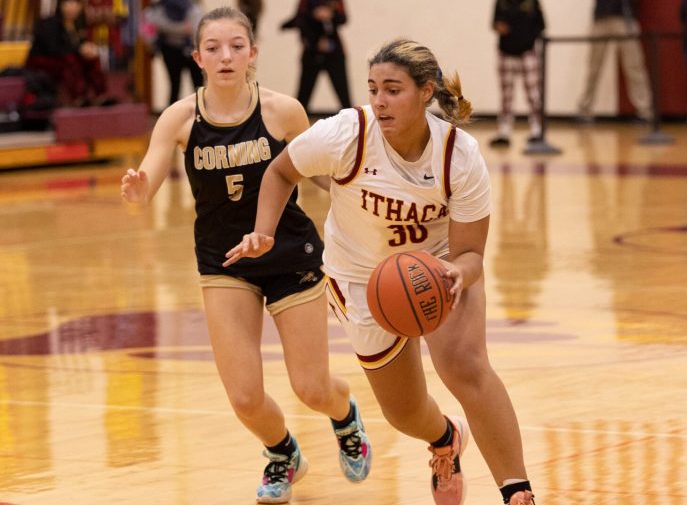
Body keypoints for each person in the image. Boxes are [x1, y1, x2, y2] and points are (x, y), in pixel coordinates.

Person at [226, 39, 537, 505]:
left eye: (393, 89)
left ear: (425, 92)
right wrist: (263, 232)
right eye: (374, 88)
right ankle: (445, 439)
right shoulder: (346, 133)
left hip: (440, 268)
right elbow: (280, 172)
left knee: (466, 367)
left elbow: (471, 252)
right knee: (404, 413)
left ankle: (518, 493)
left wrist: (457, 275)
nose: (379, 100)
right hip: (360, 278)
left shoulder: (459, 156)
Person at [120, 6, 372, 504]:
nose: (226, 56)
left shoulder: (283, 111)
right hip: (224, 261)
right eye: (213, 48)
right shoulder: (178, 118)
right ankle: (282, 454)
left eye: (236, 45)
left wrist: (358, 188)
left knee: (312, 388)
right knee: (243, 397)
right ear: (197, 58)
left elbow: (319, 173)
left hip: (289, 253)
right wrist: (137, 189)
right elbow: (147, 179)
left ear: (253, 53)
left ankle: (345, 417)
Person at [577, 0, 651, 122]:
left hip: (624, 19)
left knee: (634, 66)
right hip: (601, 19)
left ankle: (645, 111)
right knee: (593, 66)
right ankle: (584, 109)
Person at [281, 0, 352, 111]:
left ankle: (354, 127)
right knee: (303, 94)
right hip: (312, 50)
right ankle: (296, 127)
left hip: (333, 50)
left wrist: (330, 14)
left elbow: (344, 19)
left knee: (344, 93)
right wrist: (314, 15)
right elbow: (299, 19)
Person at [490, 0, 546, 147]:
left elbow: (541, 24)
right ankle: (504, 130)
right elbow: (495, 22)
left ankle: (537, 128)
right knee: (506, 94)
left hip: (527, 52)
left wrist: (526, 35)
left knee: (533, 92)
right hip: (506, 52)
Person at [25, 0, 107, 107]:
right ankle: (78, 98)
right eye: (67, 3)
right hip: (43, 60)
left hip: (67, 56)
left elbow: (80, 44)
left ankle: (100, 95)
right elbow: (53, 48)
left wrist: (88, 49)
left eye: (75, 4)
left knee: (92, 58)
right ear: (60, 6)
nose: (71, 7)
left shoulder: (79, 24)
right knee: (70, 60)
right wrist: (79, 50)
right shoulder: (48, 23)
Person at [148, 0, 204, 107]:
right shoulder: (168, 0)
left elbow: (195, 26)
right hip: (171, 48)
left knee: (199, 86)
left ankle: (204, 118)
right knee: (175, 86)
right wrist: (180, 29)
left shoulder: (193, 0)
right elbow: (152, 21)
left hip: (192, 48)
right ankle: (172, 122)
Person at [78, 0, 127, 71]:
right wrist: (106, 15)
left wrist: (96, 15)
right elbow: (83, 18)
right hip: (88, 43)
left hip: (111, 44)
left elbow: (121, 17)